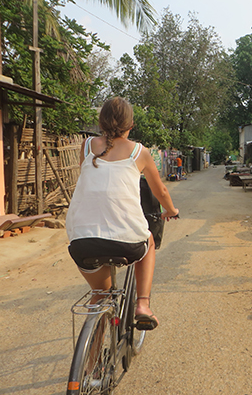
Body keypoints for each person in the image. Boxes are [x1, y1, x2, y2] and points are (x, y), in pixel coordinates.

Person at [66, 97, 179, 331]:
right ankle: (144, 306)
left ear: (100, 122)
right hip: (127, 245)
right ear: (131, 125)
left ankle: (90, 362)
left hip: (81, 242)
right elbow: (162, 191)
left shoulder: (87, 146)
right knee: (147, 239)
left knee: (100, 295)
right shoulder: (140, 152)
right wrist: (171, 210)